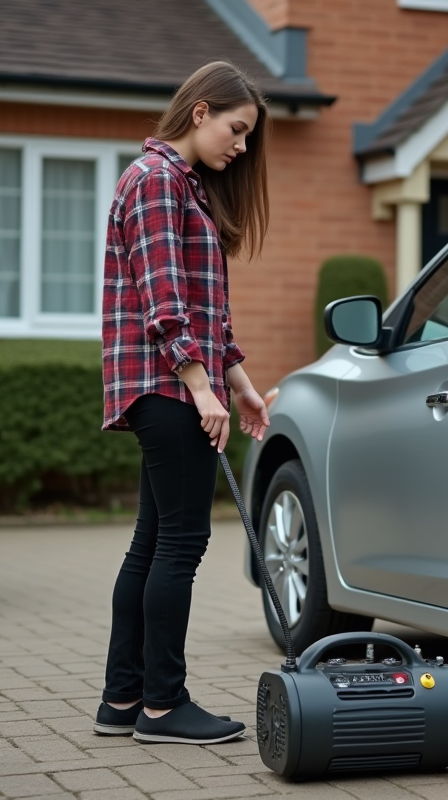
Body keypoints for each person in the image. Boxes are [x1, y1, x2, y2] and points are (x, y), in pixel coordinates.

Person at [94, 61, 271, 745]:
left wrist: (238, 383)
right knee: (182, 544)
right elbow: (166, 303)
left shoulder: (179, 186)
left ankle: (123, 700)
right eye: (237, 128)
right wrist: (201, 387)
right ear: (199, 112)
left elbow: (204, 309)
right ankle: (164, 707)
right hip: (166, 386)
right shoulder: (158, 181)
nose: (242, 146)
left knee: (152, 543)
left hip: (171, 383)